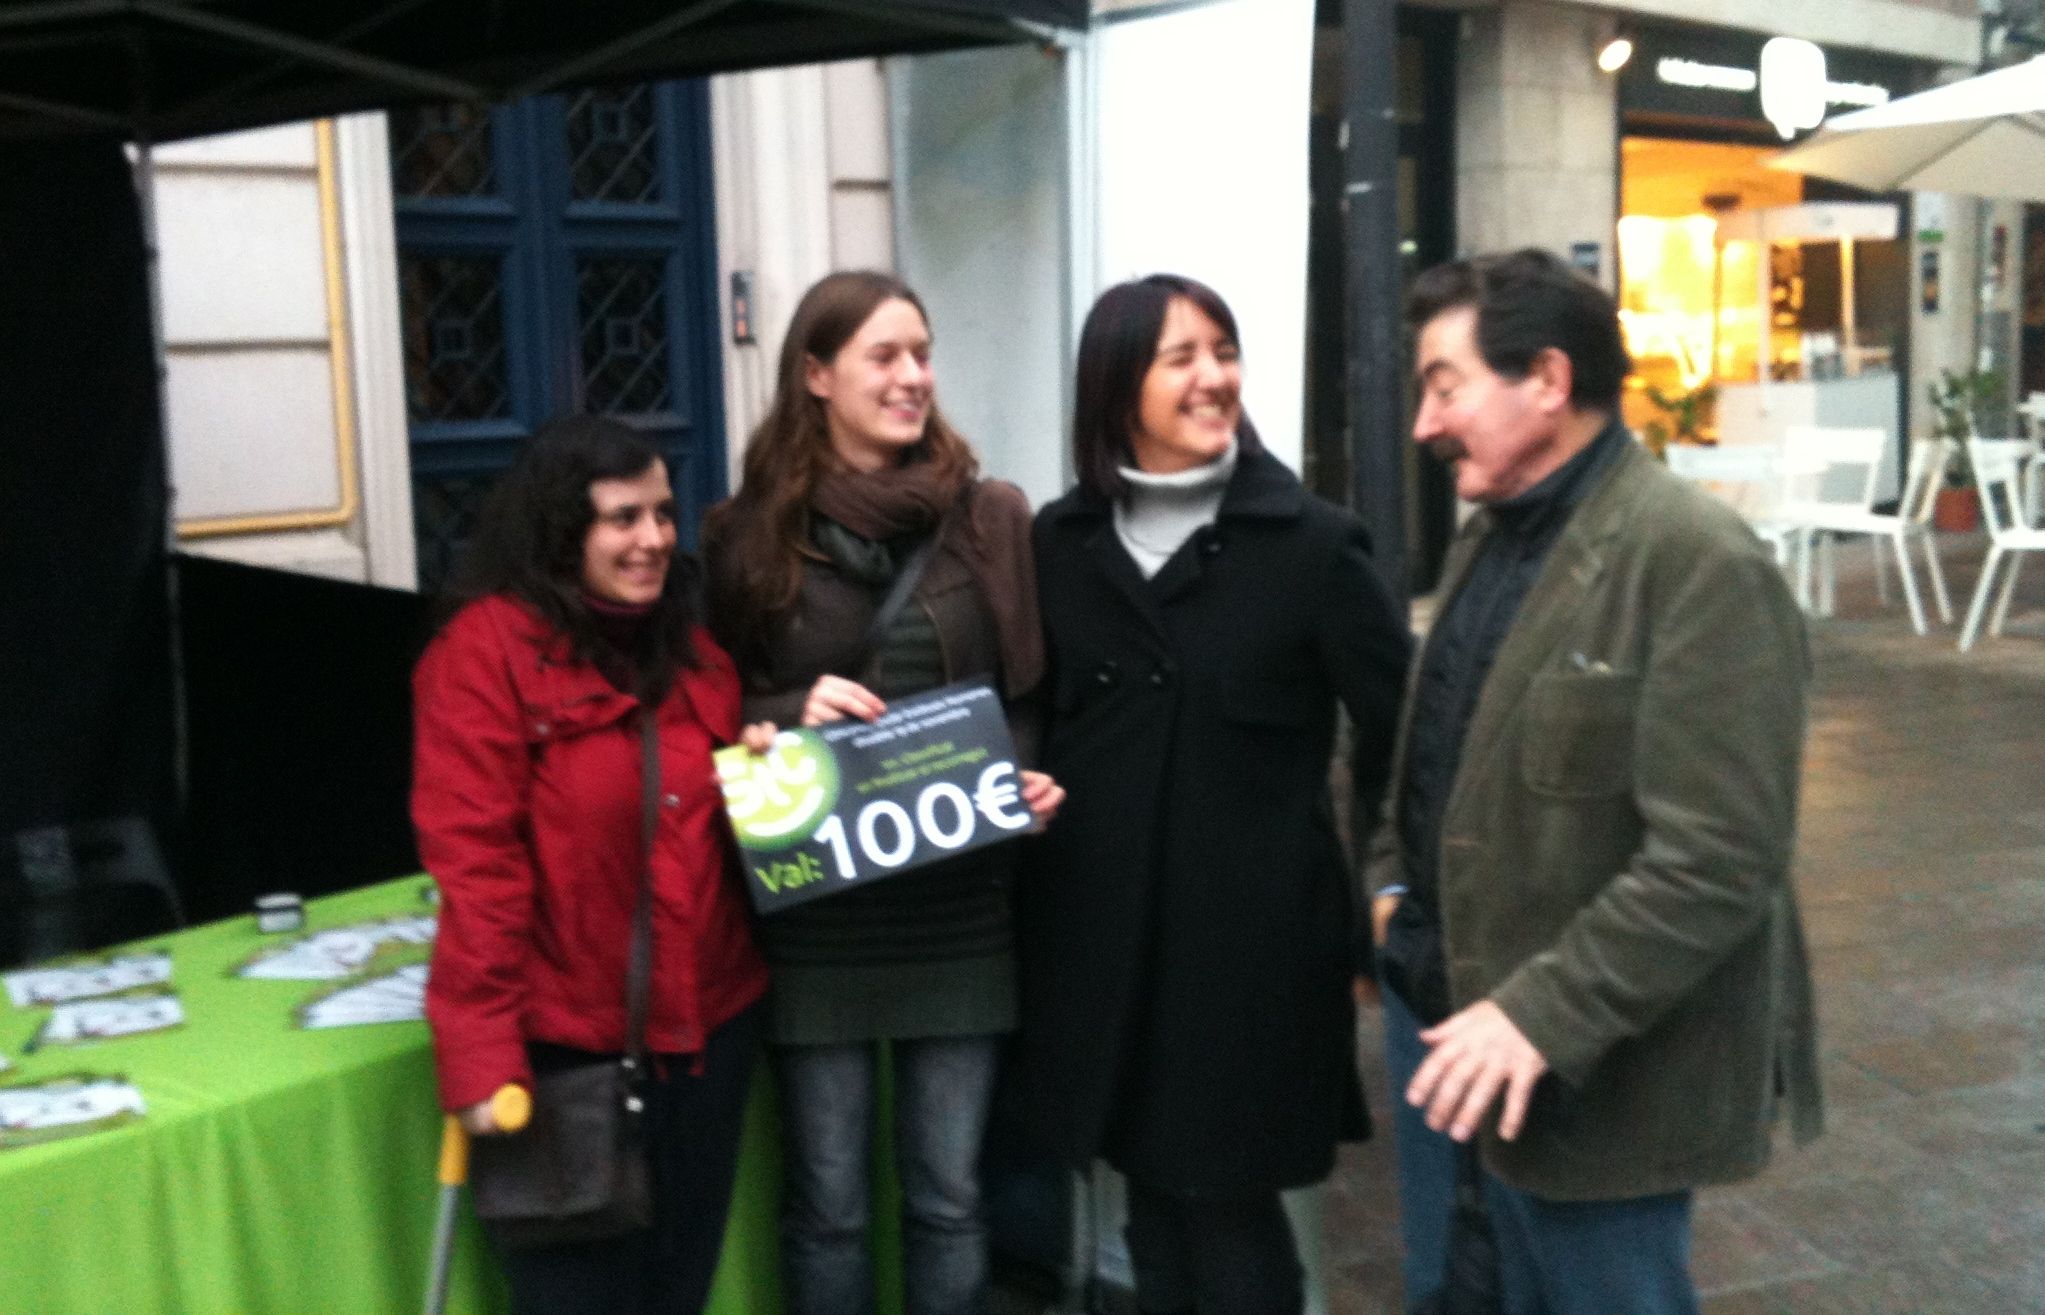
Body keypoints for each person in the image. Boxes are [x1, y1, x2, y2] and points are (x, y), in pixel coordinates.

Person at [1369, 248, 1823, 1315]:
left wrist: (1535, 1016)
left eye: (1444, 387)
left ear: (1546, 381)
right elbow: (1439, 746)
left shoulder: (1696, 559)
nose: (1424, 425)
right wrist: (1392, 892)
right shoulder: (1491, 534)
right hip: (1450, 1043)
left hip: (1597, 1083)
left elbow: (1718, 858)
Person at [1011, 273, 1411, 1315]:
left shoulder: (1314, 546)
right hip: (1102, 952)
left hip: (1250, 960)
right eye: (1179, 357)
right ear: (1115, 387)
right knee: (1149, 1203)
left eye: (1222, 351)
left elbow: (1404, 735)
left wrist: (1381, 889)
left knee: (1228, 1214)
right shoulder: (1060, 546)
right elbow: (1031, 717)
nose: (1212, 376)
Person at [700, 270, 1064, 1315]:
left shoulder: (989, 515)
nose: (913, 378)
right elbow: (710, 711)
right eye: (884, 356)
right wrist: (779, 706)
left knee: (949, 1195)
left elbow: (1027, 687)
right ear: (815, 375)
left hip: (958, 903)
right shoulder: (744, 533)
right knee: (828, 1201)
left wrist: (1024, 780)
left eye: (922, 353)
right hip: (818, 913)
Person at [413, 415, 768, 1315]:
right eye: (620, 518)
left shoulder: (694, 648)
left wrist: (770, 766)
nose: (651, 539)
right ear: (560, 528)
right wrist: (483, 1054)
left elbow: (711, 827)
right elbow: (478, 865)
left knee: (676, 1292)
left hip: (707, 1040)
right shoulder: (484, 654)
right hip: (568, 1056)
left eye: (659, 513)